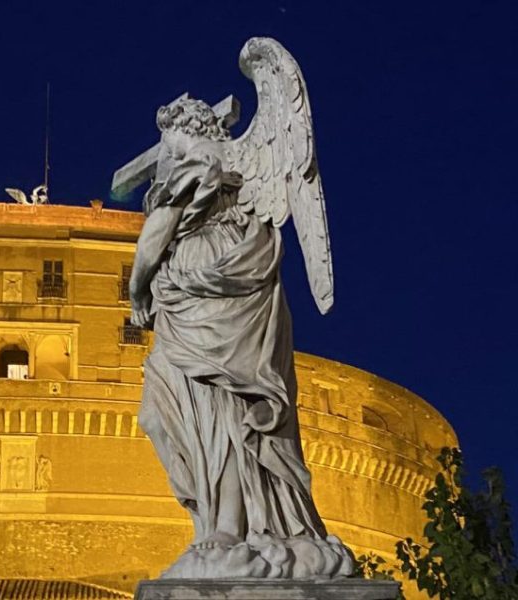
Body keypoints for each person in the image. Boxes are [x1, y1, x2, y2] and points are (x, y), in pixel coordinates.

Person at [130, 97, 351, 577]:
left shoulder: (201, 162)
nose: (163, 152)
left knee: (227, 414)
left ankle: (227, 528)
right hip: (205, 296)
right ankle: (221, 522)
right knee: (183, 415)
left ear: (181, 133)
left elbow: (156, 231)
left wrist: (137, 288)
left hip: (216, 294)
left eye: (167, 140)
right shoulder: (219, 164)